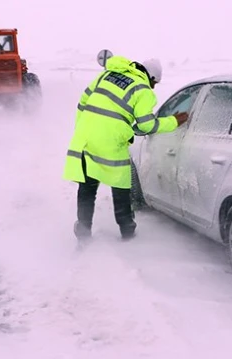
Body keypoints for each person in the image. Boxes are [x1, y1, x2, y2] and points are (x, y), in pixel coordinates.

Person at [63, 54, 189, 240]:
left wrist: (83, 129)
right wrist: (173, 121)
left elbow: (83, 101)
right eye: (154, 83)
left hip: (85, 138)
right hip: (112, 143)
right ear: (151, 78)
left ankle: (83, 231)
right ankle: (127, 231)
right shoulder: (143, 90)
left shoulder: (107, 75)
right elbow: (146, 125)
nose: (153, 87)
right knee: (121, 186)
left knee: (87, 188)